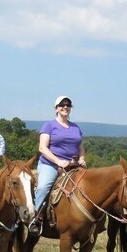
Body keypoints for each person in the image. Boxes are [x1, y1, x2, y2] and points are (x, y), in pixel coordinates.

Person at [29, 96, 86, 236]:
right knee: (43, 187)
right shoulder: (49, 125)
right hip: (51, 164)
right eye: (62, 105)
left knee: (91, 187)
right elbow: (42, 148)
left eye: (68, 105)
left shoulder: (75, 127)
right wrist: (58, 161)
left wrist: (83, 158)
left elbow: (81, 147)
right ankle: (34, 218)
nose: (65, 107)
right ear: (56, 108)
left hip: (73, 165)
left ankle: (93, 221)